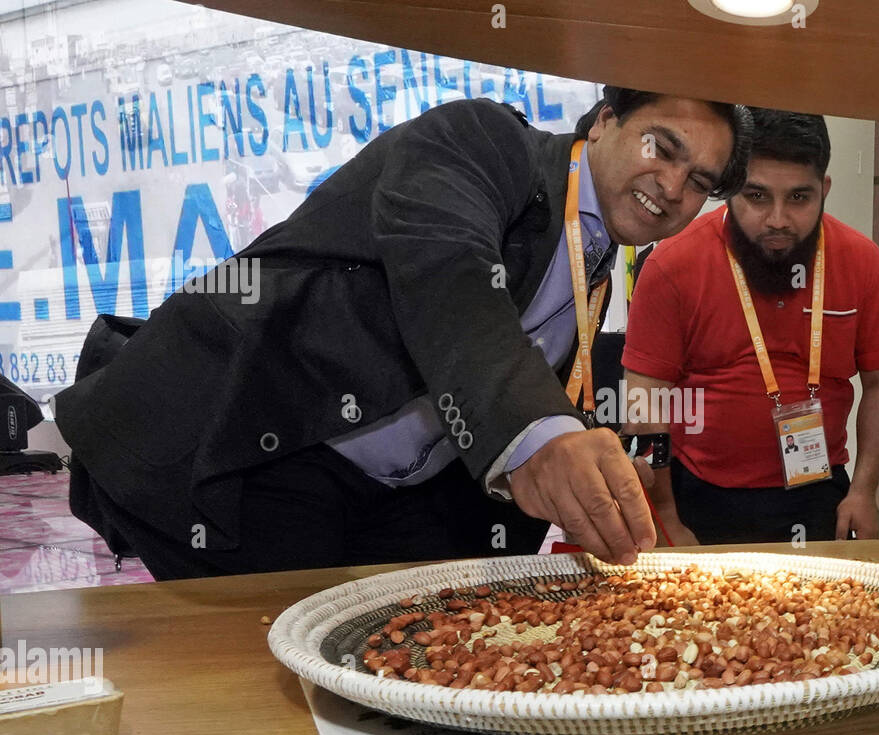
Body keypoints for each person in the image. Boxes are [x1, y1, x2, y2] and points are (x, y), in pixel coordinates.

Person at [55, 87, 752, 578]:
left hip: (398, 491)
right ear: (604, 120)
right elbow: (449, 276)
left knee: (424, 655)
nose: (672, 186)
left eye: (700, 181)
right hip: (258, 442)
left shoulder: (602, 259)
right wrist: (545, 438)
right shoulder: (481, 141)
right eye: (663, 147)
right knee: (268, 674)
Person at [622, 108, 879, 545]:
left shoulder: (862, 262)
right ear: (730, 189)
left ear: (824, 190)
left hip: (819, 490)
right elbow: (645, 400)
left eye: (799, 198)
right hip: (698, 494)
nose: (777, 220)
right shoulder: (671, 265)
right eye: (756, 196)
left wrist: (864, 491)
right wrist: (666, 519)